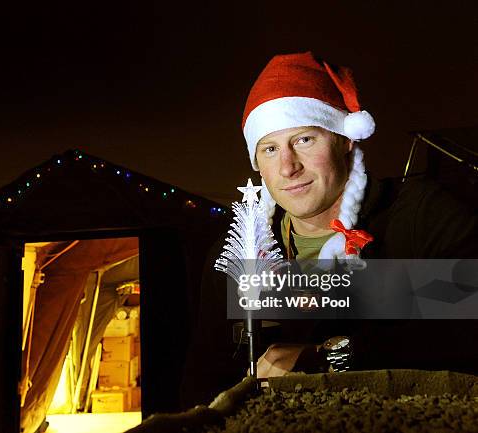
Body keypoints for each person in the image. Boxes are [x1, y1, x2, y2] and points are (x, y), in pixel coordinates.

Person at [181, 51, 477, 407]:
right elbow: (202, 382)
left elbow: (468, 323)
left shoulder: (419, 218)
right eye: (270, 148)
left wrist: (333, 355)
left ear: (346, 139)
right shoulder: (237, 256)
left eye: (304, 140)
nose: (288, 167)